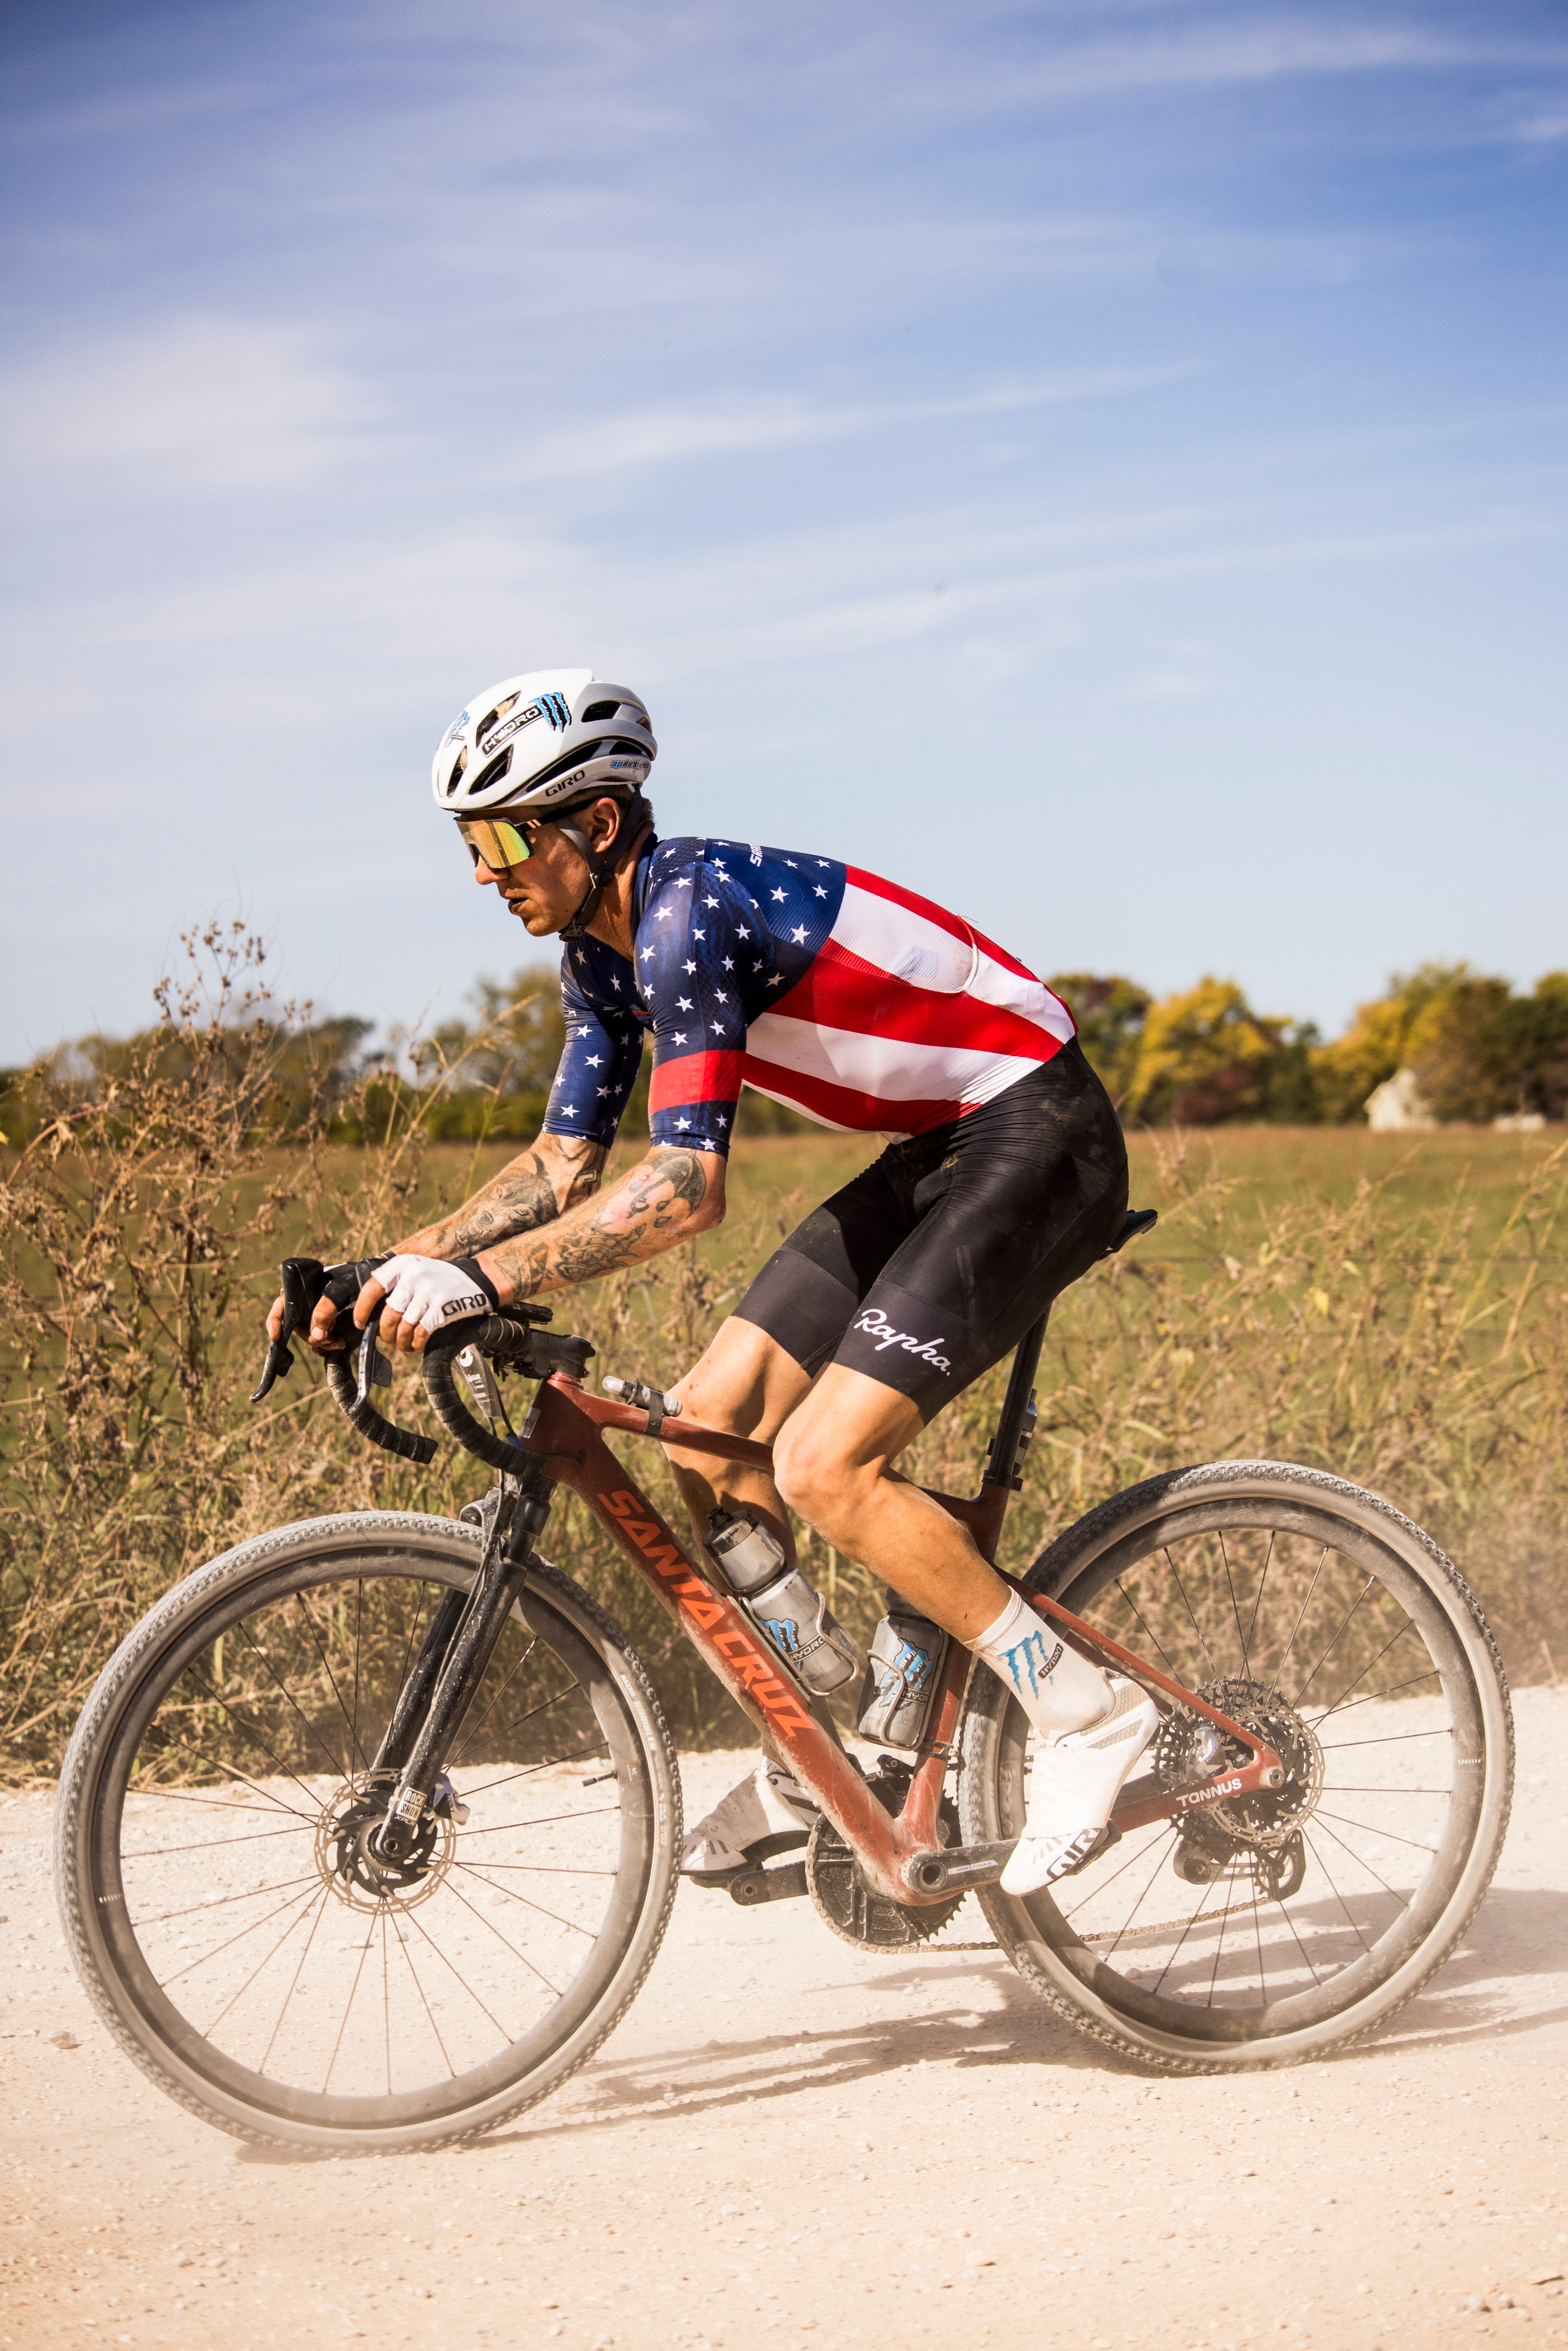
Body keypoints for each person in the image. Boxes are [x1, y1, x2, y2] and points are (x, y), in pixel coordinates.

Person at [269, 667, 1156, 1895]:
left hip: (1034, 1129)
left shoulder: (687, 909)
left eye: (503, 835)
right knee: (709, 1427)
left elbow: (686, 1187)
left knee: (822, 1464)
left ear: (594, 821)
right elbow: (562, 1162)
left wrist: (483, 1280)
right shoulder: (601, 948)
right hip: (938, 1148)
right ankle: (835, 1736)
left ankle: (1089, 1711)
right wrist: (401, 1266)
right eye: (469, 842)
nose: (485, 870)